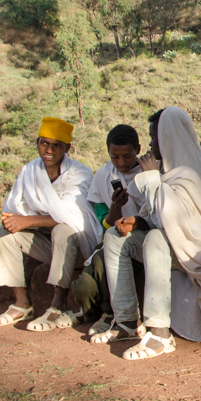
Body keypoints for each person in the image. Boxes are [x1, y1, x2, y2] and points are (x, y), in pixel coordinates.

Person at [98, 107, 201, 360]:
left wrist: (152, 178)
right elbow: (156, 217)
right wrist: (138, 222)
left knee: (155, 239)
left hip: (195, 255)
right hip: (170, 249)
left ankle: (160, 333)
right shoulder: (165, 173)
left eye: (155, 138)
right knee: (113, 237)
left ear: (169, 138)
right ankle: (127, 323)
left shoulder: (192, 175)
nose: (152, 145)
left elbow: (178, 226)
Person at [0, 117, 101, 331]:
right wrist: (19, 221)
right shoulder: (30, 171)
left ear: (67, 148)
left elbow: (73, 217)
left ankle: (58, 304)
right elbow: (14, 207)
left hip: (76, 250)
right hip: (46, 245)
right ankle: (21, 303)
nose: (49, 150)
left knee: (62, 229)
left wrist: (29, 219)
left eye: (56, 145)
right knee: (4, 231)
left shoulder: (78, 174)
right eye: (44, 143)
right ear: (37, 143)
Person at [71, 124, 144, 335]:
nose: (121, 163)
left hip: (142, 238)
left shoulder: (149, 171)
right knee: (83, 286)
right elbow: (105, 222)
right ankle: (102, 313)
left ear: (138, 150)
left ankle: (111, 314)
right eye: (115, 157)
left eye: (127, 156)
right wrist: (115, 207)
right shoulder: (103, 176)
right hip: (113, 235)